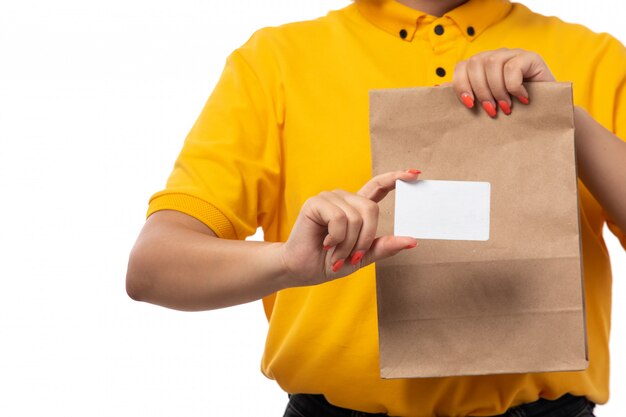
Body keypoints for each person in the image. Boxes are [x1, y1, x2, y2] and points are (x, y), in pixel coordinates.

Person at [125, 0, 626, 415]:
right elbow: (153, 268)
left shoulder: (595, 57)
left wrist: (565, 117)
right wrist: (286, 262)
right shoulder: (276, 61)